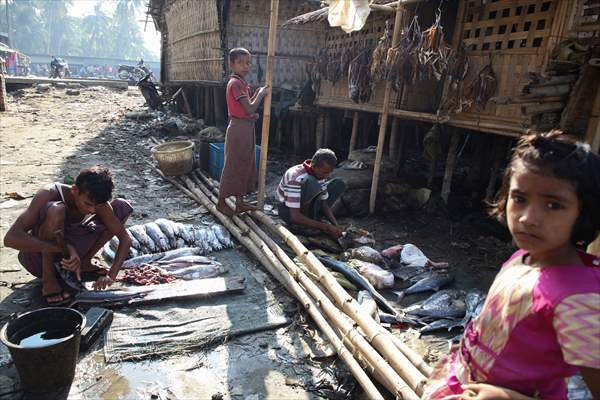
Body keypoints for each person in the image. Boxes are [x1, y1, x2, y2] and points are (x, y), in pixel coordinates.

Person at [423, 131, 600, 400]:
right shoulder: (521, 258)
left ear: (584, 212)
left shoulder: (578, 299)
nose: (528, 218)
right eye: (519, 199)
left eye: (553, 205)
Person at [4, 167, 133, 305]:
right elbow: (11, 239)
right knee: (56, 209)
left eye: (97, 206)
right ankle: (49, 279)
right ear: (74, 190)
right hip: (39, 259)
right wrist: (65, 248)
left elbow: (125, 239)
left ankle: (84, 263)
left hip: (71, 258)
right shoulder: (49, 194)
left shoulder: (96, 201)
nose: (92, 210)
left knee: (121, 206)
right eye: (88, 204)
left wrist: (111, 276)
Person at [216, 47, 269, 216]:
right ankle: (221, 201)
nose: (245, 66)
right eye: (241, 63)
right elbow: (250, 107)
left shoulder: (241, 83)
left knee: (245, 163)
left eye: (248, 63)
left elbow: (248, 110)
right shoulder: (236, 83)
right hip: (239, 129)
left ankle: (239, 202)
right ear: (232, 64)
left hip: (245, 127)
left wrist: (253, 113)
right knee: (233, 164)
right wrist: (260, 94)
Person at [277, 148, 346, 239]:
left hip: (307, 207)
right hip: (288, 211)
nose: (327, 176)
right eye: (325, 172)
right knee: (311, 181)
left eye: (329, 172)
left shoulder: (319, 173)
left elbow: (323, 203)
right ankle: (302, 225)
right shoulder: (295, 177)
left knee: (338, 184)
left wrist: (336, 225)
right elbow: (295, 216)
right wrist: (327, 227)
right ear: (313, 165)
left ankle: (312, 221)